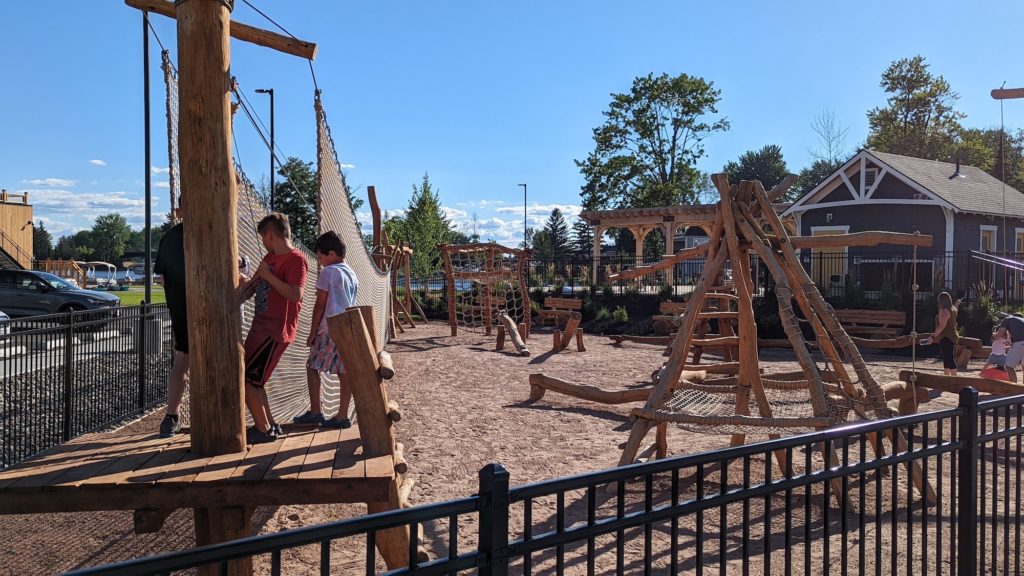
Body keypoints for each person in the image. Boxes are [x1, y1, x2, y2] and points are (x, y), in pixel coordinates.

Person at [238, 213, 308, 443]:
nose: (263, 243)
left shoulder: (296, 260)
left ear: (270, 234)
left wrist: (268, 276)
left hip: (275, 330)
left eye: (264, 238)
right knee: (254, 380)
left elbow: (295, 294)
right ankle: (269, 424)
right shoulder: (269, 258)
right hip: (261, 328)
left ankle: (263, 429)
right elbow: (254, 285)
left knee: (247, 379)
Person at [293, 231, 358, 428]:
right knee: (344, 372)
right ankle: (342, 415)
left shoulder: (328, 273)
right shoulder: (351, 273)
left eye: (320, 257)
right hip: (345, 327)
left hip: (328, 328)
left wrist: (313, 333)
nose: (319, 261)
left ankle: (315, 411)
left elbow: (320, 305)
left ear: (331, 254)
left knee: (312, 367)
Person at [154, 207, 187, 438]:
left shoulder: (170, 237)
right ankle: (172, 416)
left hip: (181, 309)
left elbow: (161, 277)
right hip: (210, 311)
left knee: (182, 360)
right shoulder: (212, 230)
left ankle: (171, 416)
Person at [921, 292, 959, 376]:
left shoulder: (943, 311)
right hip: (950, 336)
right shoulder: (952, 309)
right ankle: (947, 378)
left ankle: (954, 380)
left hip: (946, 336)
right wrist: (957, 303)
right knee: (946, 358)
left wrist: (933, 336)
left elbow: (941, 326)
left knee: (949, 359)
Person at [999, 315, 1024, 382]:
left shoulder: (1008, 319)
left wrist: (994, 336)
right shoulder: (1022, 321)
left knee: (1009, 367)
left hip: (1020, 343)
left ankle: (1014, 390)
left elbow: (1000, 334)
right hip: (1020, 343)